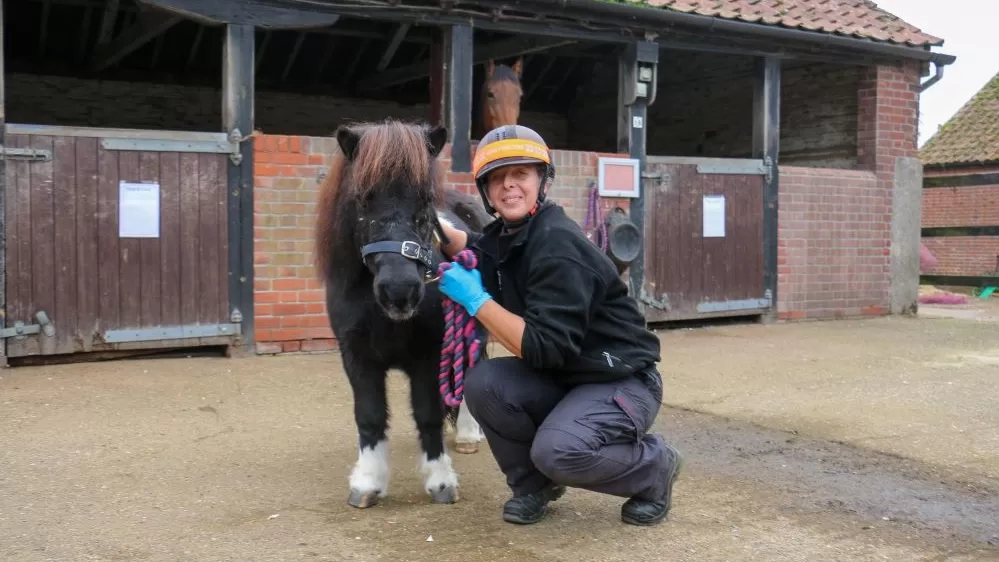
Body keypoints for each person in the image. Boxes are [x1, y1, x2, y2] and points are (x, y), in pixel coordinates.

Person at [435, 124, 682, 526]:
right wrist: (428, 224)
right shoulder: (510, 234)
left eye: (521, 174)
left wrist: (476, 301)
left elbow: (541, 348)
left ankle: (655, 467)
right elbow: (473, 249)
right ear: (485, 190)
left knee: (558, 451)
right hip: (567, 375)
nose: (509, 186)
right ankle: (535, 486)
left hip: (620, 381)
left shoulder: (557, 245)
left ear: (541, 181)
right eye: (497, 178)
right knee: (483, 383)